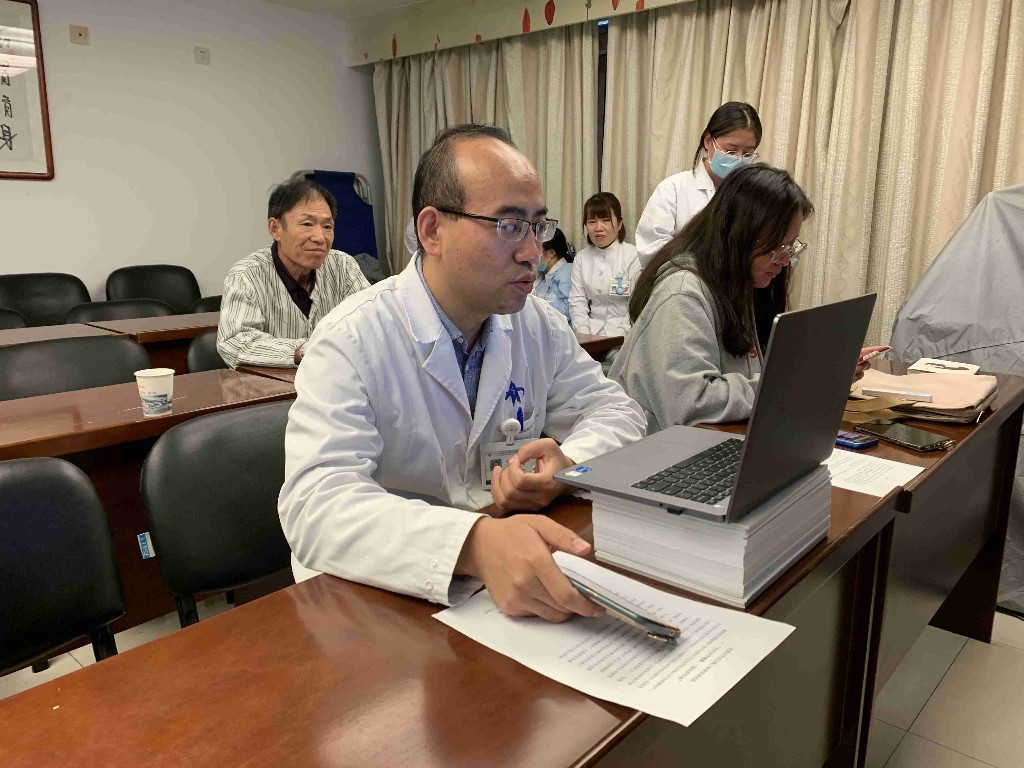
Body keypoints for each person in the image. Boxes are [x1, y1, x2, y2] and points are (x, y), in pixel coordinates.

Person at [279, 124, 646, 623]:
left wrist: (570, 464)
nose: (531, 252)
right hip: (379, 603)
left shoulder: (535, 323)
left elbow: (618, 410)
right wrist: (471, 542)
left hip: (502, 577)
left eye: (537, 226)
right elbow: (315, 507)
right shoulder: (352, 338)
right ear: (432, 231)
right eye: (509, 225)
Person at [613, 164, 884, 432]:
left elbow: (755, 371)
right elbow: (692, 402)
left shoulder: (738, 282)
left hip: (707, 440)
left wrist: (826, 368)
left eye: (791, 245)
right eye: (777, 246)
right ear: (739, 236)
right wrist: (805, 383)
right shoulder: (683, 292)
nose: (785, 260)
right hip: (659, 450)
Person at [217, 177, 370, 368]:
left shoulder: (343, 266)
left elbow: (371, 321)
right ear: (275, 229)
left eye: (327, 226)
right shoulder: (247, 275)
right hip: (270, 385)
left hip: (337, 380)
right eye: (307, 224)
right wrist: (304, 350)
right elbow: (235, 342)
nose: (320, 237)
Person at [635, 102, 762, 266]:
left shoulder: (756, 197)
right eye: (731, 150)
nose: (739, 158)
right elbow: (651, 252)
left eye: (747, 153)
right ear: (708, 141)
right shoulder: (673, 189)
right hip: (683, 281)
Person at [569, 192, 641, 337]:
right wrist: (584, 335)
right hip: (590, 333)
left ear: (619, 224)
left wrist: (618, 337)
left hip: (625, 334)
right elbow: (577, 301)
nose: (598, 228)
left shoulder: (633, 255)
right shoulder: (581, 258)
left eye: (606, 220)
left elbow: (636, 304)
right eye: (592, 221)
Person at [532, 227, 574, 324]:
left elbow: (569, 310)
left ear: (551, 253)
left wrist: (539, 304)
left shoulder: (568, 271)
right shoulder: (543, 275)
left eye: (536, 249)